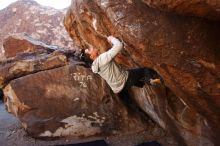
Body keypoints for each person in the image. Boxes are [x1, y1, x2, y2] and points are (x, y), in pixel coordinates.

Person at [85, 36, 162, 96]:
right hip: (125, 80)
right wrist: (112, 39)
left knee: (132, 75)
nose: (92, 48)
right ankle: (150, 81)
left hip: (118, 89)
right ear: (91, 56)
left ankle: (142, 83)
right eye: (91, 50)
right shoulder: (103, 58)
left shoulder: (94, 66)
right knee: (145, 70)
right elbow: (119, 45)